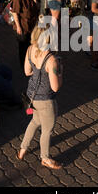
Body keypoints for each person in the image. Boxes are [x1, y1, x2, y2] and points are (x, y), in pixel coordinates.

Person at [18, 20, 63, 170]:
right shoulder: (52, 60)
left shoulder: (30, 49)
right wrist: (60, 72)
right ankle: (45, 157)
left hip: (31, 94)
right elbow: (55, 87)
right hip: (45, 100)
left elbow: (27, 72)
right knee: (47, 129)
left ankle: (23, 149)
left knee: (35, 121)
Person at [11, 0, 39, 70]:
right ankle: (23, 66)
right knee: (23, 48)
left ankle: (29, 63)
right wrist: (18, 26)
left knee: (30, 46)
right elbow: (15, 13)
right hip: (22, 26)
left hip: (30, 26)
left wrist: (35, 1)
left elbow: (35, 10)